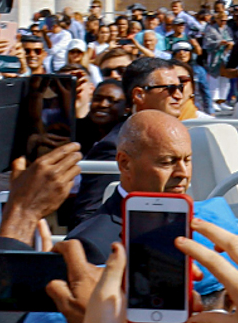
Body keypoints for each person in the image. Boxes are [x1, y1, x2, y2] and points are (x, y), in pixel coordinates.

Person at [64, 109, 192, 264]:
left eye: (187, 160)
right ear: (125, 164)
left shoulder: (197, 222)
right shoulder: (89, 246)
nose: (183, 173)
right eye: (167, 162)